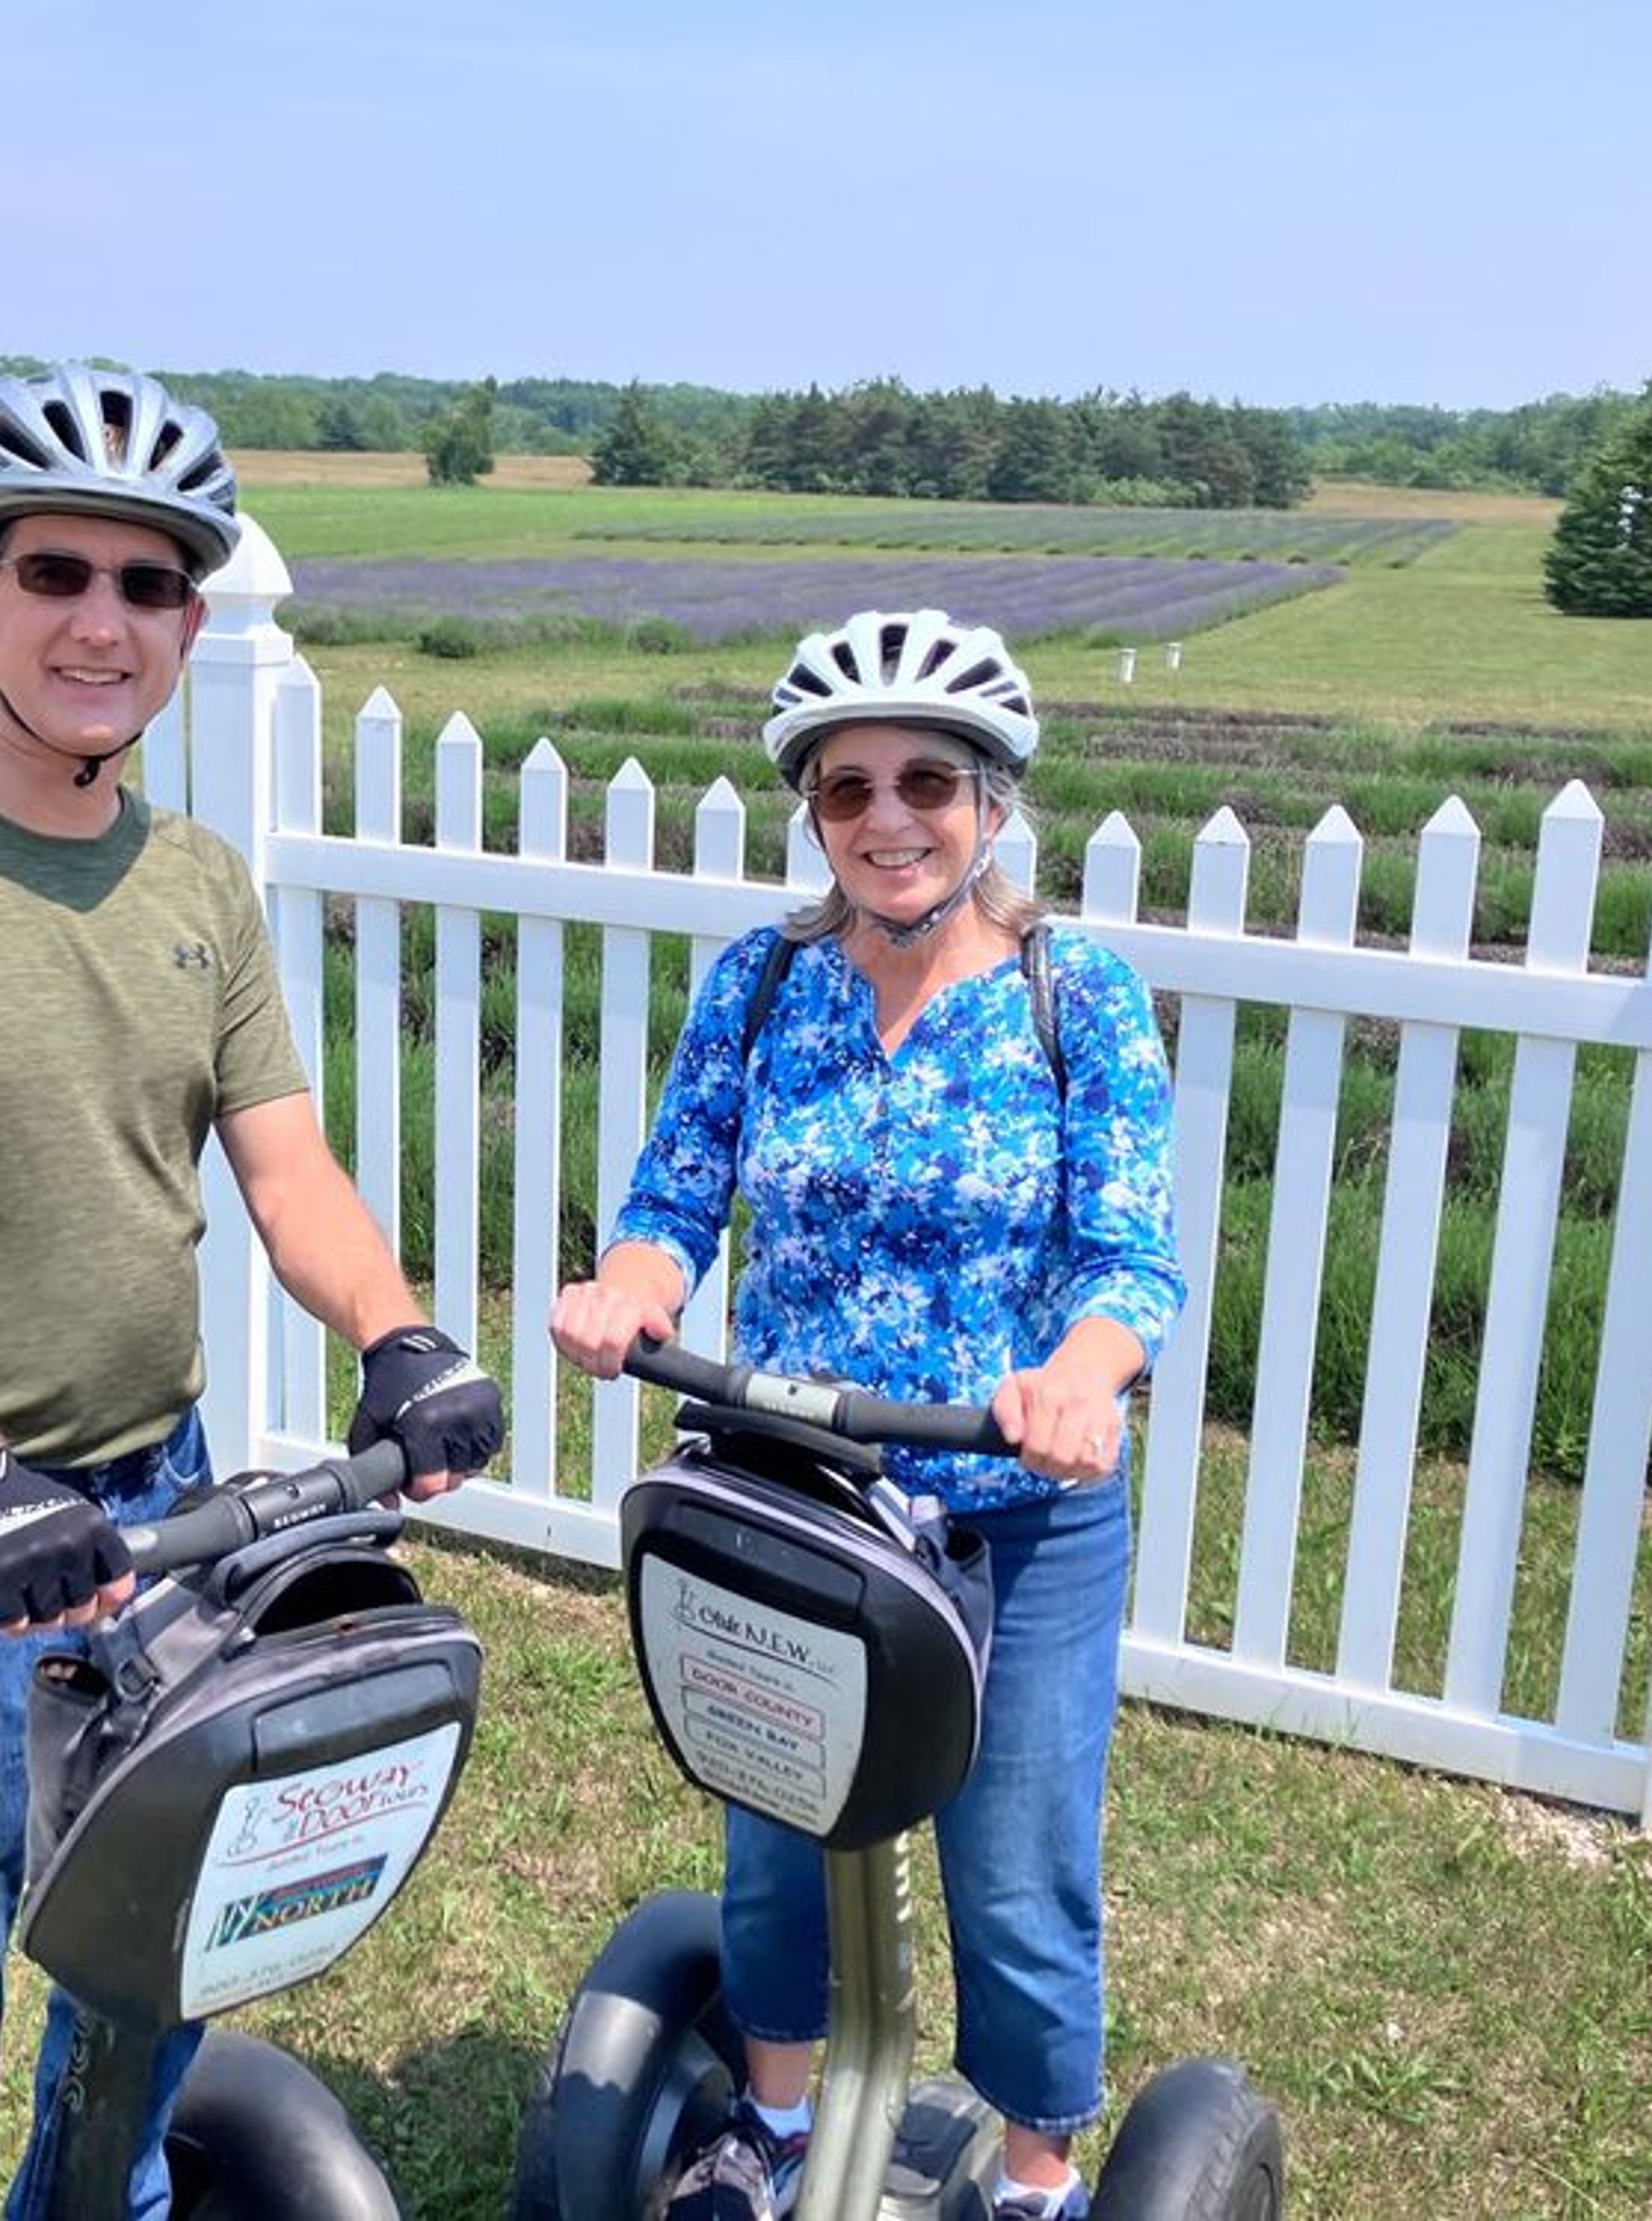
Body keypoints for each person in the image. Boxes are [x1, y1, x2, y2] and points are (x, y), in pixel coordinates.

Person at [0, 363, 504, 2221]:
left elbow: (286, 1173)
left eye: (148, 586)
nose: (100, 621)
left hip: (174, 1502)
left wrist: (399, 1333)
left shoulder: (199, 882)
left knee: (149, 1968)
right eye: (56, 571)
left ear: (188, 624)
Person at [547, 609, 1181, 2221]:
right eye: (847, 791)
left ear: (991, 803)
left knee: (1015, 1863)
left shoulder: (1076, 995)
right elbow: (674, 1192)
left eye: (924, 783)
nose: (888, 819)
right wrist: (633, 1286)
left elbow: (1130, 1253)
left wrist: (1080, 1379)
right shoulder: (764, 985)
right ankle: (768, 2129)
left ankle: (1036, 2171)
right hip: (795, 1497)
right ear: (812, 814)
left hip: (1007, 1511)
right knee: (775, 1826)